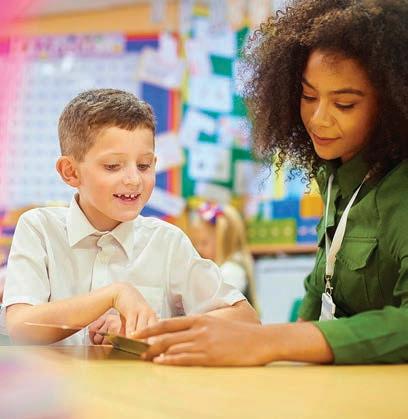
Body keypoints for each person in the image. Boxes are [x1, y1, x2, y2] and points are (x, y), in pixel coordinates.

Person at [134, 0, 408, 366]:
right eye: (308, 96)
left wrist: (272, 341)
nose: (318, 119)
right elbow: (321, 288)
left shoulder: (399, 190)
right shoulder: (335, 175)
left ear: (392, 104)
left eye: (344, 104)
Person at [3, 88, 258, 345]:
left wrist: (150, 330)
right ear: (70, 172)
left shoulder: (167, 242)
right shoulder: (39, 229)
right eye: (113, 166)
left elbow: (245, 319)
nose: (134, 180)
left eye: (144, 166)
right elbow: (21, 327)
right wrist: (114, 295)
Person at [187, 202, 258, 308]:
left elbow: (216, 305)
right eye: (196, 243)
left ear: (224, 241)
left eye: (204, 243)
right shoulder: (220, 267)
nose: (199, 249)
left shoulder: (232, 270)